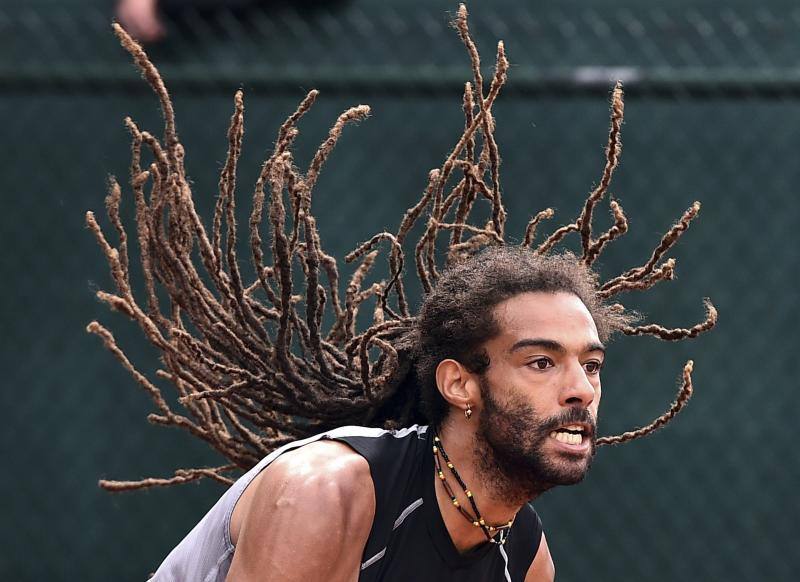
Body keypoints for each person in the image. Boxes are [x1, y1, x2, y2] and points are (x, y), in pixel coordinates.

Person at [87, 5, 716, 580]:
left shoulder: (523, 555)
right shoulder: (325, 491)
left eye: (592, 365)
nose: (581, 388)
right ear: (459, 384)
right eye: (542, 362)